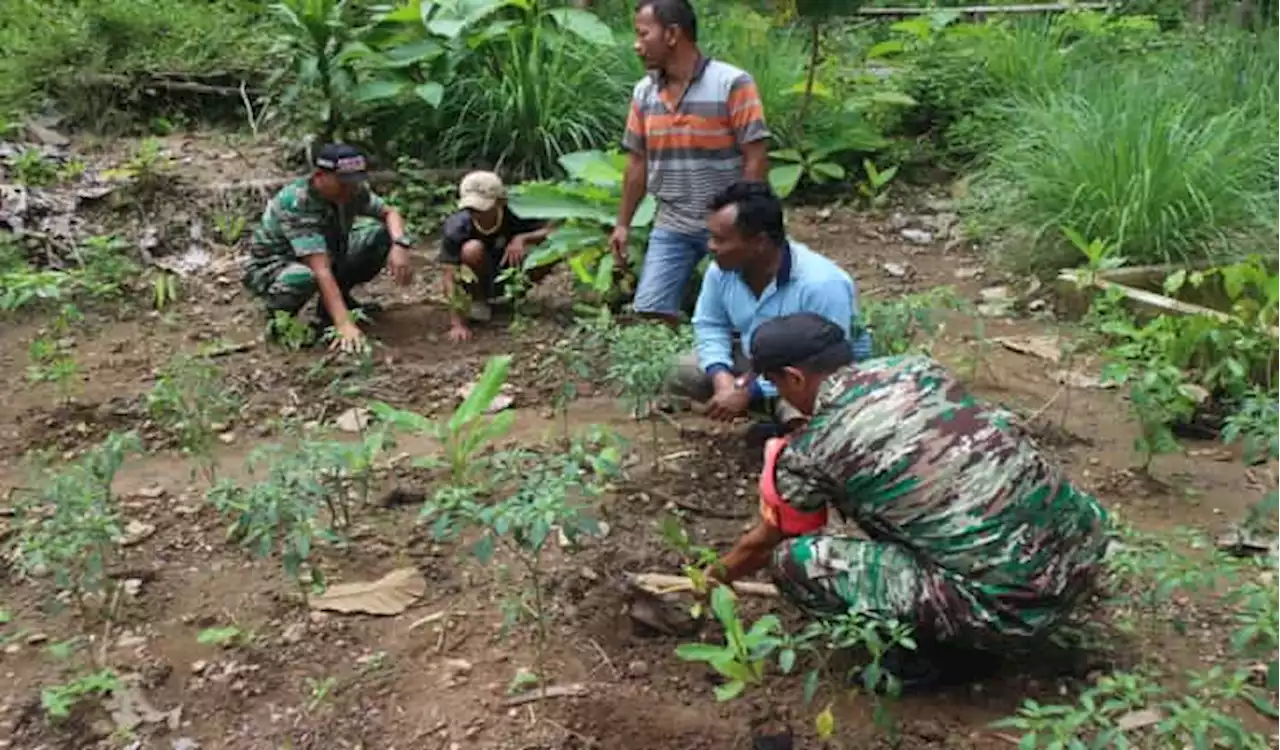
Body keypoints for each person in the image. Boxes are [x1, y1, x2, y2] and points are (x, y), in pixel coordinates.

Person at [707, 314, 1112, 686]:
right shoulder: (918, 369)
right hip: (1082, 556)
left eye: (775, 384)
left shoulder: (816, 448)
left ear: (794, 378)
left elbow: (771, 537)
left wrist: (713, 578)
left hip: (1011, 610)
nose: (779, 394)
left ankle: (939, 660)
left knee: (795, 562)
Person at [667, 182, 873, 441]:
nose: (710, 246)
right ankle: (769, 417)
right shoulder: (722, 270)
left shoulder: (822, 284)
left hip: (806, 375)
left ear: (759, 243)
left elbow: (827, 364)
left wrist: (749, 391)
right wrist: (722, 378)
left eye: (720, 239)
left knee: (806, 411)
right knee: (682, 371)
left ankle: (795, 433)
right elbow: (710, 324)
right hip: (757, 362)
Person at [612, 0, 770, 323]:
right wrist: (623, 224)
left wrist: (746, 221)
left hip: (729, 222)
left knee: (750, 317)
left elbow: (756, 158)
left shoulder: (732, 84)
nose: (636, 46)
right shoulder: (644, 93)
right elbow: (637, 163)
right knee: (650, 311)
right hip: (673, 220)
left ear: (672, 34)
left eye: (643, 35)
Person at [243, 143, 413, 354]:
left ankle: (332, 305)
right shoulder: (298, 202)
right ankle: (280, 321)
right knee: (303, 277)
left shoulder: (353, 191)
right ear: (320, 176)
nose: (349, 188)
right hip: (274, 268)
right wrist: (344, 324)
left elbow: (390, 212)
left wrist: (400, 245)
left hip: (329, 253)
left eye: (354, 182)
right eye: (342, 182)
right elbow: (319, 268)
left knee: (376, 235)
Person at [438, 171, 554, 342]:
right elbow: (449, 275)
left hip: (511, 268)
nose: (476, 213)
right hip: (477, 276)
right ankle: (479, 299)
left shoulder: (518, 212)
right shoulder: (457, 227)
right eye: (471, 209)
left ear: (500, 202)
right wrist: (457, 323)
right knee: (472, 249)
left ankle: (517, 297)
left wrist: (523, 238)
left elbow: (554, 231)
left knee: (551, 250)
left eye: (481, 208)